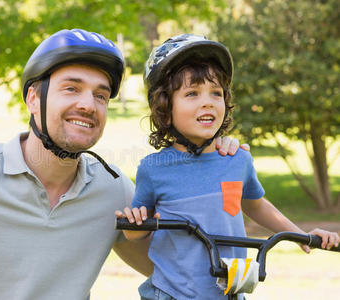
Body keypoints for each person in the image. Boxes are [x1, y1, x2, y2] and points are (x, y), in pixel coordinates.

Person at [0, 29, 244, 300]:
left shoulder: (113, 191)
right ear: (33, 97)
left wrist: (212, 156)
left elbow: (178, 269)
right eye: (71, 88)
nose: (88, 105)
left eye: (100, 95)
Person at [115, 34, 340, 300]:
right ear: (165, 108)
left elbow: (255, 204)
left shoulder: (237, 160)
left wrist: (302, 236)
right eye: (191, 93)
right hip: (170, 294)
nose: (207, 101)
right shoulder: (153, 169)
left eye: (216, 93)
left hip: (229, 292)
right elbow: (134, 234)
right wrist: (133, 224)